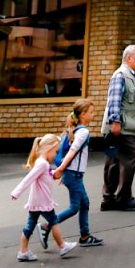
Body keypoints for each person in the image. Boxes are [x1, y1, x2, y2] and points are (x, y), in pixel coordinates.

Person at [11, 133, 78, 261]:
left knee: (30, 225)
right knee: (54, 222)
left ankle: (23, 251)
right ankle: (62, 246)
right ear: (48, 148)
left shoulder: (42, 163)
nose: (56, 155)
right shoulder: (42, 164)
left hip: (36, 201)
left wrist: (53, 174)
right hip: (43, 201)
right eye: (56, 151)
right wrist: (17, 192)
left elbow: (44, 175)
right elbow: (29, 179)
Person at [50, 97, 102, 248]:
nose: (93, 115)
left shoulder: (74, 130)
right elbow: (72, 152)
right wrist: (61, 169)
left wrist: (64, 171)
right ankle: (47, 226)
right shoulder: (83, 132)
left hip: (72, 174)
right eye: (91, 112)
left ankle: (85, 236)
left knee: (84, 203)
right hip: (73, 175)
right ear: (83, 114)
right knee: (75, 207)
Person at [100, 44, 135, 210]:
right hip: (120, 127)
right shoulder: (121, 75)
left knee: (114, 161)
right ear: (129, 58)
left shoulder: (132, 77)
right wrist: (115, 122)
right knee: (131, 156)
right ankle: (123, 198)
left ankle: (108, 200)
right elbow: (114, 100)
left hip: (125, 126)